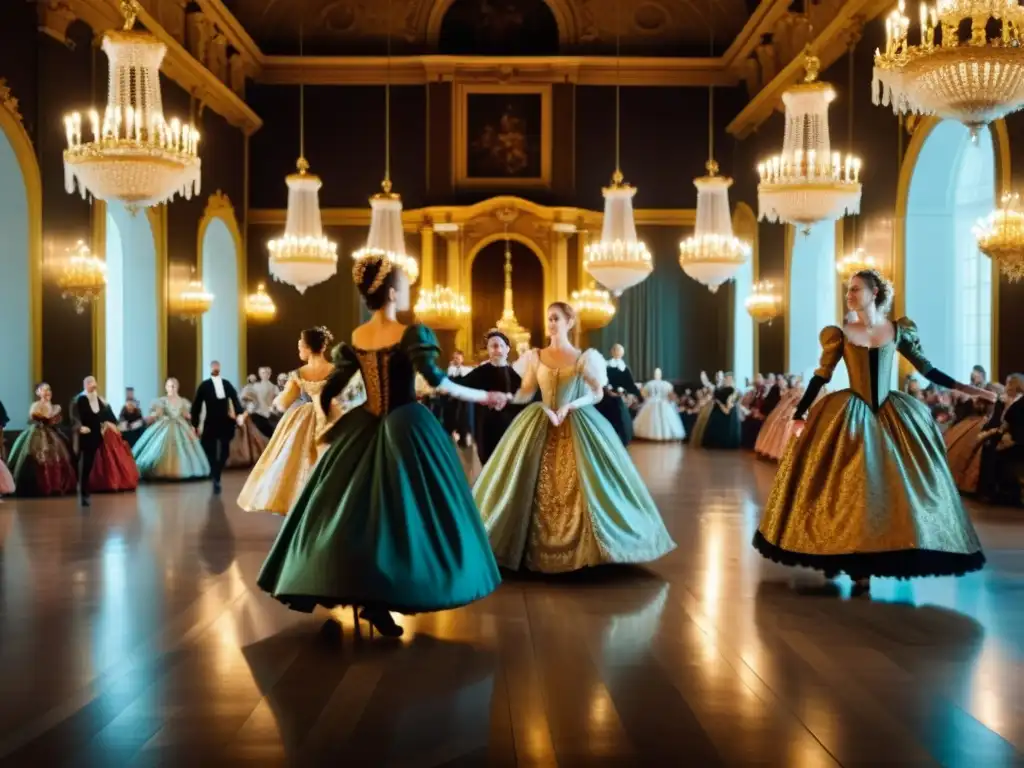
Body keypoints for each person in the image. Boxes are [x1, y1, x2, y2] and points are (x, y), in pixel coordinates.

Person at [257, 253, 507, 638]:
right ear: (391, 292)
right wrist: (484, 397)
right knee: (405, 514)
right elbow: (437, 381)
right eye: (406, 286)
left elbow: (330, 392)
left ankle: (367, 596)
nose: (408, 292)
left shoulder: (357, 338)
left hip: (364, 426)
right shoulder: (410, 334)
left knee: (359, 516)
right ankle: (386, 595)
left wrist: (329, 428)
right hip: (406, 426)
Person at [753, 269, 993, 593]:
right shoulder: (840, 334)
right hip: (850, 415)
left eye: (855, 289)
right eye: (848, 290)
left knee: (895, 488)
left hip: (892, 415)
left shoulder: (898, 330)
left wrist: (972, 390)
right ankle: (843, 554)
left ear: (875, 292)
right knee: (847, 488)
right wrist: (799, 413)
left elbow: (928, 369)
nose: (849, 295)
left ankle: (895, 547)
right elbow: (821, 376)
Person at [474, 302, 676, 574]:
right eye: (548, 318)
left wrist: (571, 406)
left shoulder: (584, 358)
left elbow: (597, 393)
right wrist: (504, 399)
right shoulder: (535, 356)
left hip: (577, 421)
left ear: (570, 322)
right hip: (540, 419)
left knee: (592, 483)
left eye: (556, 318)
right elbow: (526, 391)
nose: (551, 323)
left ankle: (593, 547)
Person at [237, 327, 343, 516]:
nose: (299, 349)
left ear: (309, 348)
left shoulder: (299, 374)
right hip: (330, 417)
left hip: (304, 418)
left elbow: (284, 401)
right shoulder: (335, 370)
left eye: (301, 345)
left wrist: (275, 405)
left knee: (295, 458)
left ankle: (301, 500)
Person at [458, 329, 523, 465]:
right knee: (488, 463)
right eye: (493, 346)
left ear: (507, 349)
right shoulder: (480, 372)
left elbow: (525, 399)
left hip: (510, 427)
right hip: (485, 426)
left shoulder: (516, 375)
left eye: (501, 346)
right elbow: (462, 388)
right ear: (488, 349)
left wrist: (508, 399)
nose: (497, 349)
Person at [71, 376, 139, 502]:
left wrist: (110, 424)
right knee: (87, 461)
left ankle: (103, 482)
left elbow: (109, 416)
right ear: (85, 385)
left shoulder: (100, 400)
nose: (93, 385)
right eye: (89, 383)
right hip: (88, 434)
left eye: (94, 383)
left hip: (102, 432)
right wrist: (80, 427)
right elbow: (76, 417)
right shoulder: (79, 400)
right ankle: (85, 486)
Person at [132, 377, 211, 480]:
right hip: (165, 426)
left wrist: (196, 420)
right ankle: (156, 470)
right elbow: (157, 414)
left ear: (177, 387)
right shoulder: (162, 401)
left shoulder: (183, 401)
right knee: (160, 447)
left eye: (173, 386)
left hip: (180, 426)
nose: (171, 388)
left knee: (184, 448)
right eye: (169, 386)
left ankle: (183, 469)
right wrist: (151, 417)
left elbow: (186, 414)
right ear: (166, 387)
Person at [7, 383, 77, 497]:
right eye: (43, 390)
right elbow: (32, 417)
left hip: (51, 432)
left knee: (60, 451)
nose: (46, 392)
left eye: (48, 389)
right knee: (35, 453)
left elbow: (55, 419)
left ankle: (57, 484)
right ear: (38, 393)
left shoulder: (54, 406)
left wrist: (53, 420)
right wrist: (43, 418)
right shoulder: (36, 405)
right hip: (37, 431)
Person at [191, 360, 245, 494]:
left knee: (225, 451)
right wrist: (195, 424)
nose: (215, 368)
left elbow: (235, 399)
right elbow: (196, 406)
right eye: (213, 366)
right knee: (209, 449)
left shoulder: (226, 384)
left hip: (225, 421)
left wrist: (239, 414)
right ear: (210, 368)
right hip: (210, 421)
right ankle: (215, 474)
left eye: (217, 366)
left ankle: (216, 472)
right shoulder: (204, 385)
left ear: (220, 368)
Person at [595, 344, 641, 445]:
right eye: (615, 350)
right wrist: (609, 390)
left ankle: (621, 440)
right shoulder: (606, 365)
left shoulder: (625, 368)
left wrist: (628, 393)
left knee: (622, 416)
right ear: (612, 352)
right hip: (607, 396)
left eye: (619, 351)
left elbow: (630, 384)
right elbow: (602, 380)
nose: (617, 352)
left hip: (620, 397)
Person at [634, 368, 685, 441]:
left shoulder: (649, 384)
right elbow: (671, 395)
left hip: (651, 403)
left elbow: (643, 395)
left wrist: (649, 398)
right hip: (664, 403)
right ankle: (666, 435)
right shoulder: (667, 384)